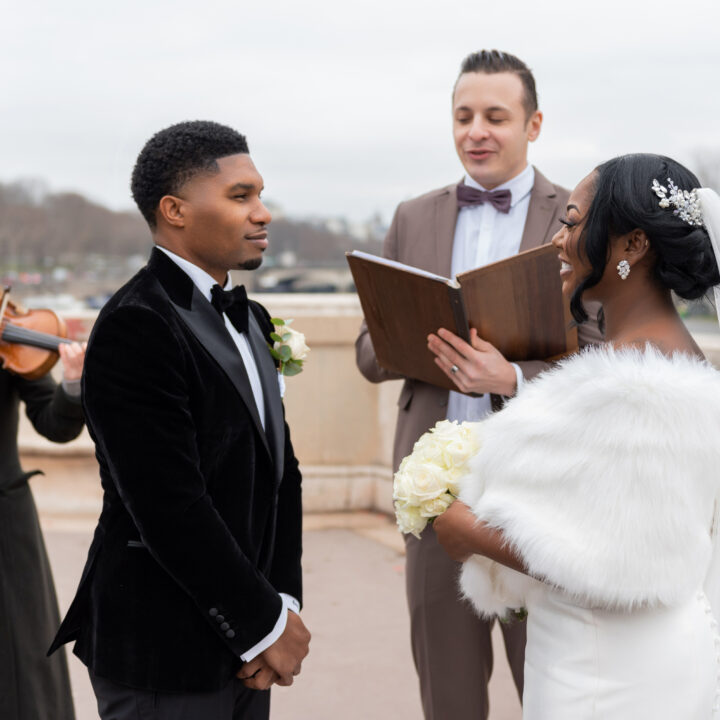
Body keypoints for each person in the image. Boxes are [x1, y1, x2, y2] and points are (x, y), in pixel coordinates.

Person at [356, 49, 601, 719]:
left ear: (534, 124)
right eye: (463, 116)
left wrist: (513, 377)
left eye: (496, 116)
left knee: (551, 690)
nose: (476, 132)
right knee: (448, 694)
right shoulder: (413, 216)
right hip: (438, 500)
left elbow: (606, 355)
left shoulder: (578, 218)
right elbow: (366, 352)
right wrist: (416, 342)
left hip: (541, 497)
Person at [434, 153, 720, 719]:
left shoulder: (633, 383)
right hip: (646, 649)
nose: (559, 243)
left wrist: (462, 527)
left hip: (604, 670)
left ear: (632, 246)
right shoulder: (678, 362)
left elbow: (619, 559)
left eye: (571, 222)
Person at [49, 121, 310, 720]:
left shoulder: (254, 319)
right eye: (240, 196)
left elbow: (282, 476)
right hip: (160, 649)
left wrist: (284, 603)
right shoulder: (133, 324)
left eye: (260, 194)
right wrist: (265, 624)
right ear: (175, 210)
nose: (263, 213)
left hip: (250, 644)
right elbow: (168, 505)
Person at [1, 341, 86, 720]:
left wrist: (72, 382)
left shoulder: (10, 338)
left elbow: (55, 424)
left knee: (18, 661)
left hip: (3, 528)